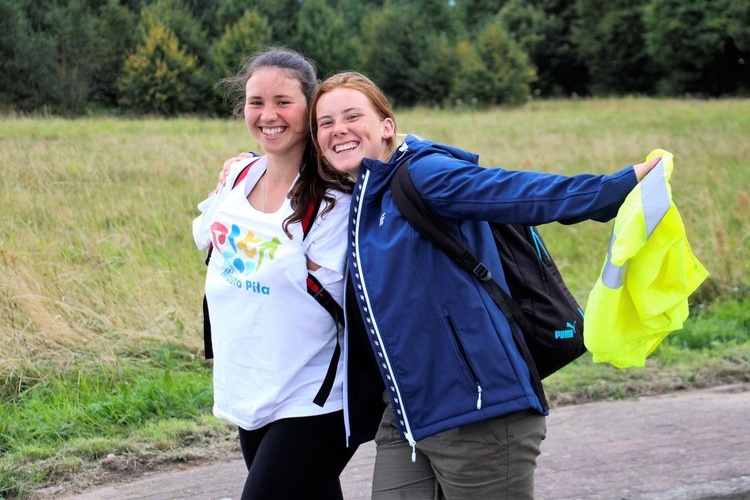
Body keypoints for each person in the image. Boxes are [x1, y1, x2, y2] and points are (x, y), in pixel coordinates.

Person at [309, 71, 661, 499]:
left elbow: (512, 191)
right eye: (325, 123)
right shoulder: (363, 195)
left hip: (480, 414)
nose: (338, 130)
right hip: (408, 418)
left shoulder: (423, 173)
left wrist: (612, 188)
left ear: (387, 126)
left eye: (351, 116)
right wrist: (248, 165)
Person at [192, 48, 381, 500]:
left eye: (283, 102)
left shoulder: (335, 204)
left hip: (316, 401)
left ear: (311, 109)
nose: (267, 115)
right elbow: (206, 239)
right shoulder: (237, 176)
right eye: (256, 102)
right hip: (249, 391)